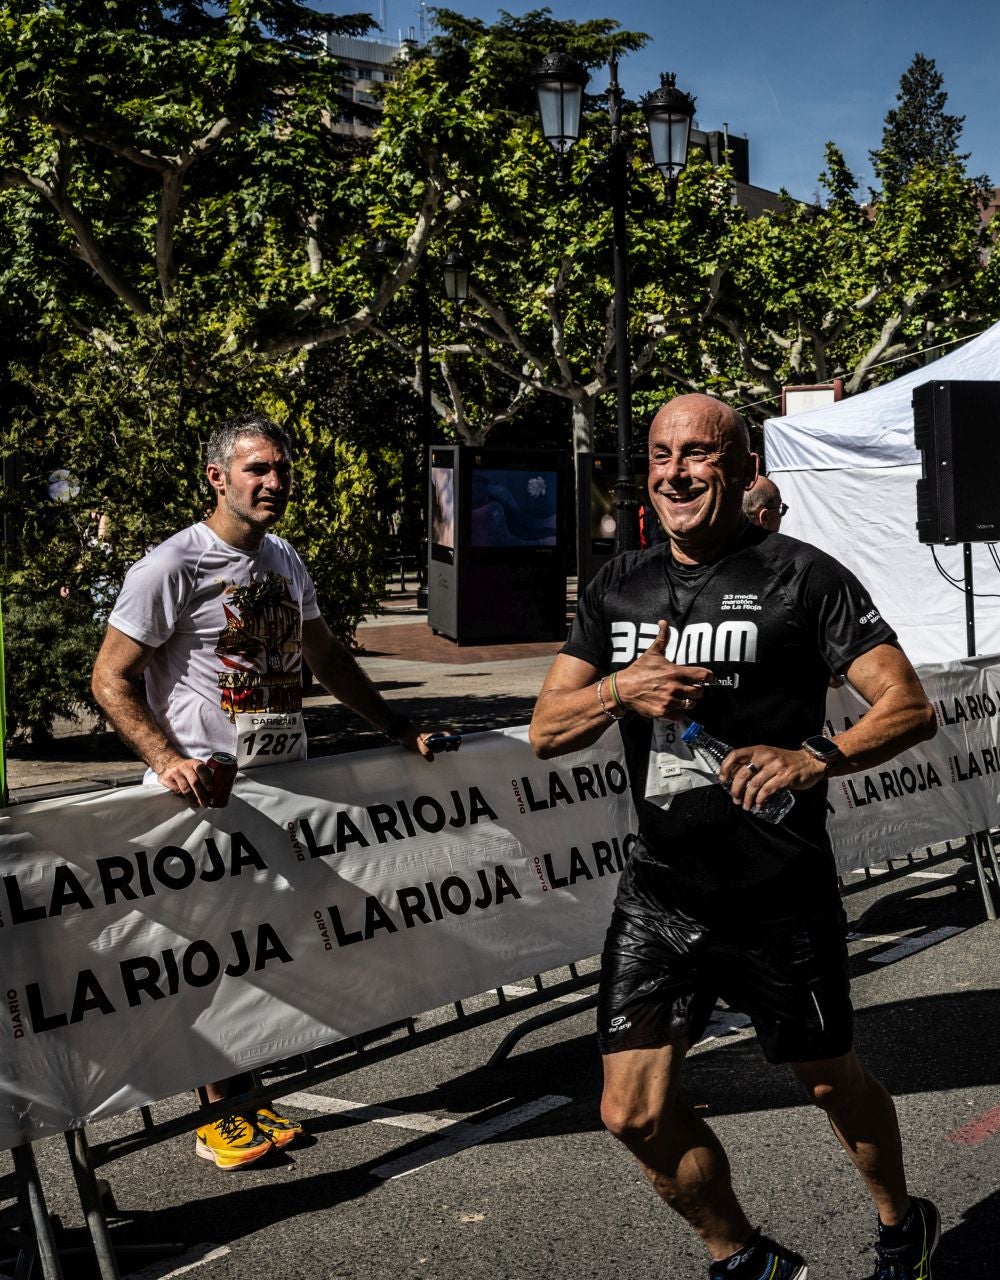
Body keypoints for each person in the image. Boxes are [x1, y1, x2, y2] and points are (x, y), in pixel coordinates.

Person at [528, 393, 941, 1280]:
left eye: (699, 455)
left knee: (829, 1081)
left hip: (778, 896)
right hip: (662, 895)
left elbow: (909, 706)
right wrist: (621, 690)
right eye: (661, 455)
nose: (676, 473)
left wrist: (813, 757)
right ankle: (744, 1257)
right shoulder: (618, 584)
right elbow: (546, 730)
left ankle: (903, 1224)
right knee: (630, 1113)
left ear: (745, 470)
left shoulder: (804, 577)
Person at [90, 412, 455, 1172]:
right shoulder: (172, 566)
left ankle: (242, 1094)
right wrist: (167, 759)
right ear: (217, 477)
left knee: (259, 955)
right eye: (258, 468)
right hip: (203, 805)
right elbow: (110, 678)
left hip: (277, 793)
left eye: (282, 468)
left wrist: (396, 726)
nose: (274, 482)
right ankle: (215, 1114)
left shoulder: (282, 558)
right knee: (209, 961)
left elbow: (326, 657)